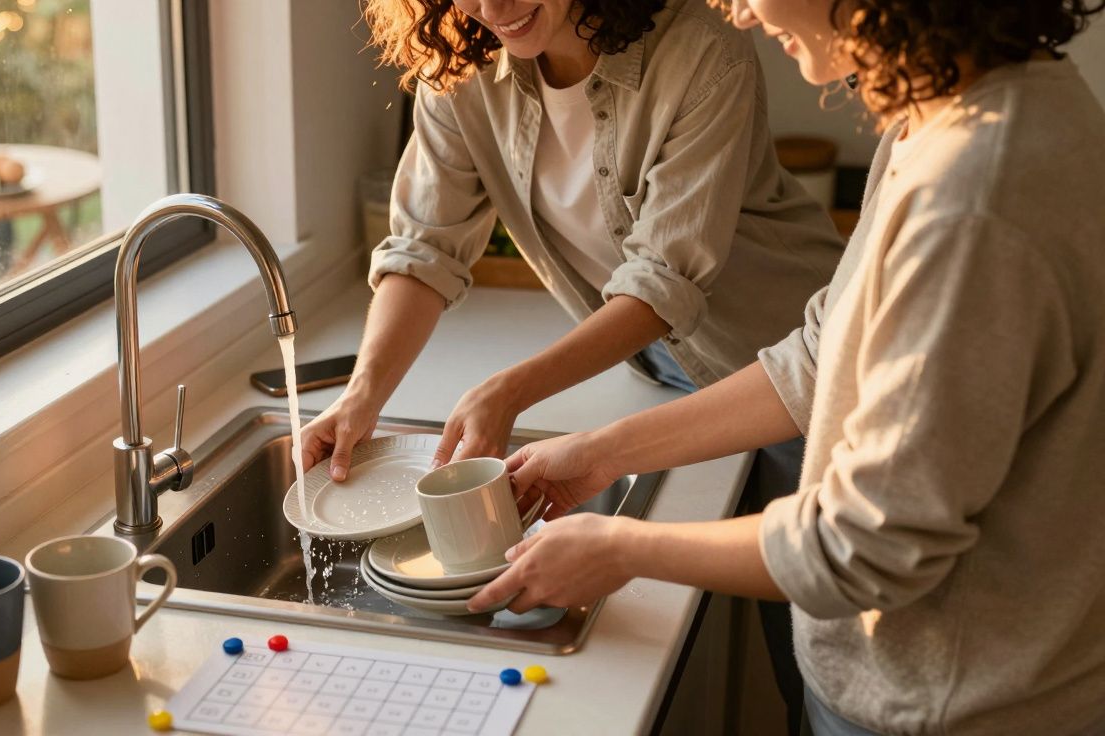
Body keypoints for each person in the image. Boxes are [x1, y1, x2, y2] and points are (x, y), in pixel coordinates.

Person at [467, 0, 1105, 733]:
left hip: (955, 702)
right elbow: (820, 354)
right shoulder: (963, 112)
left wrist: (620, 549)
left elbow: (864, 546)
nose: (734, 10)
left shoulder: (971, 197)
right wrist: (602, 453)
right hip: (945, 679)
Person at [304, 3, 843, 723]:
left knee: (821, 665)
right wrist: (360, 396)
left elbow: (663, 279)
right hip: (663, 374)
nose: (493, 6)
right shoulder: (463, 60)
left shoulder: (701, 51)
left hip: (794, 372)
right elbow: (426, 247)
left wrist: (514, 388)